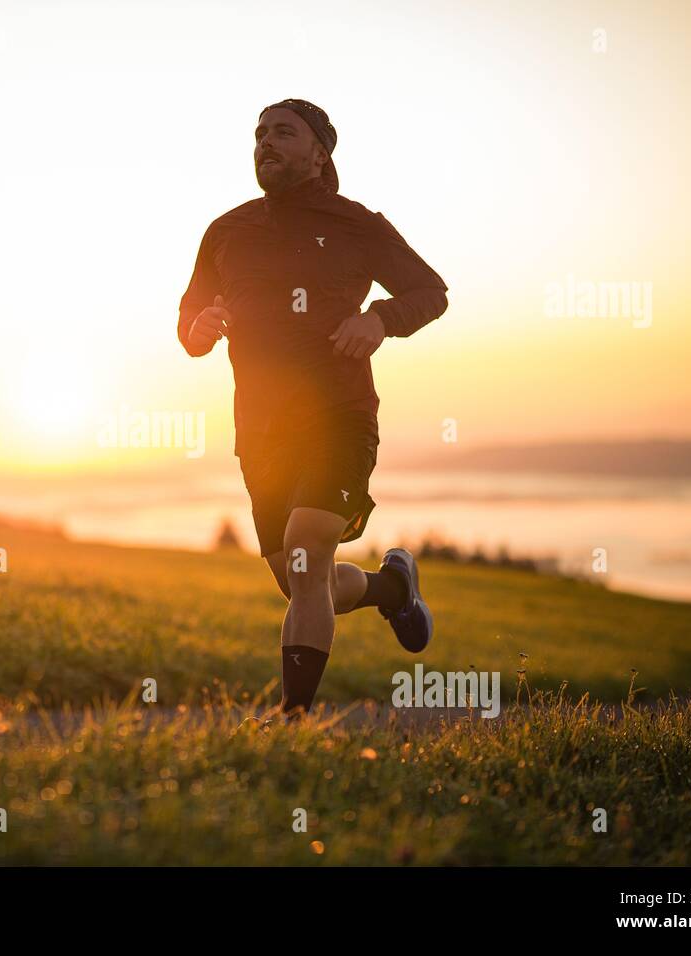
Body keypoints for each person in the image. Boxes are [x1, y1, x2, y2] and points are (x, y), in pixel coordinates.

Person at [178, 98, 448, 720]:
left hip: (339, 416)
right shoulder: (227, 231)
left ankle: (293, 719)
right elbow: (188, 317)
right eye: (259, 134)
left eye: (283, 133)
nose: (265, 143)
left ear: (319, 153)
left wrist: (379, 319)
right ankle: (390, 587)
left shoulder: (357, 224)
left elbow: (428, 290)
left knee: (305, 553)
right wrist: (200, 325)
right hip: (262, 432)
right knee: (306, 581)